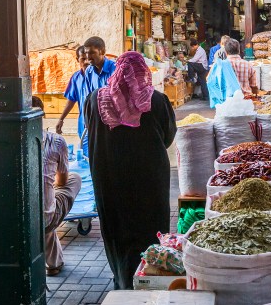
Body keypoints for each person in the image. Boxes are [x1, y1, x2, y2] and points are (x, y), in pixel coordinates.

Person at [85, 52, 176, 289]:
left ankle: (122, 279)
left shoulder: (95, 99)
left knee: (116, 229)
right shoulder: (156, 101)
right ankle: (151, 276)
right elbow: (167, 136)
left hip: (108, 178)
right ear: (142, 72)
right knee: (150, 227)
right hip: (149, 179)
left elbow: (90, 130)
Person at [33, 97, 82, 276]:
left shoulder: (9, 145)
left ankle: (54, 263)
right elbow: (62, 181)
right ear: (42, 115)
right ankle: (53, 264)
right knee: (74, 179)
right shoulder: (56, 141)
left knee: (44, 203)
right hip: (45, 219)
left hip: (20, 220)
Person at [57, 46, 90, 153]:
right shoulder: (76, 78)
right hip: (83, 122)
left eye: (88, 58)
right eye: (83, 59)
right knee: (85, 153)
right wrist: (61, 119)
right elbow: (71, 99)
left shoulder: (97, 75)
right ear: (77, 60)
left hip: (98, 122)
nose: (86, 62)